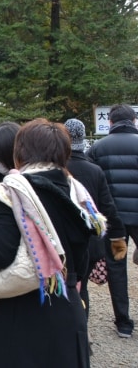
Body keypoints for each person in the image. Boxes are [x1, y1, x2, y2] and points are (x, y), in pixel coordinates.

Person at [0, 118, 107, 366]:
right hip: (68, 308)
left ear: (20, 153)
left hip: (24, 312)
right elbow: (82, 256)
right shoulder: (78, 192)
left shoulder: (14, 192)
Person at [64, 118, 126, 330]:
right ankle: (81, 333)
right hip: (91, 242)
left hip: (63, 241)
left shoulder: (57, 169)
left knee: (67, 286)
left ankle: (66, 336)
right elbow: (108, 208)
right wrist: (118, 238)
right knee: (82, 289)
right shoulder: (94, 171)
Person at [86, 103, 137, 338]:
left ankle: (123, 323)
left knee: (117, 266)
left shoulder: (98, 147)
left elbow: (92, 182)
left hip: (115, 222)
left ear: (112, 122)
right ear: (134, 121)